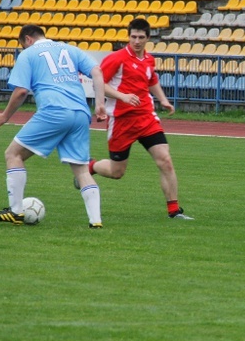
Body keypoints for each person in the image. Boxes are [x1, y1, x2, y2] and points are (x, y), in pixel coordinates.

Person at [0, 24, 107, 228]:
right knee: (81, 169)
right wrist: (101, 104)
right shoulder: (70, 49)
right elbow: (97, 71)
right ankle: (96, 222)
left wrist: (5, 115)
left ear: (28, 40)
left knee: (13, 154)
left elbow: (21, 91)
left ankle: (16, 212)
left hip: (54, 111)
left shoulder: (28, 54)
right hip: (80, 113)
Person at [83, 17, 193, 220]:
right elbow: (99, 83)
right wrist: (122, 96)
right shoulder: (117, 58)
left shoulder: (149, 60)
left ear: (148, 38)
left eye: (141, 37)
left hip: (146, 118)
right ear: (129, 36)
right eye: (133, 37)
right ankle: (90, 167)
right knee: (117, 172)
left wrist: (163, 100)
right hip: (121, 121)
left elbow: (152, 81)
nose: (137, 41)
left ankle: (174, 211)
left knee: (165, 160)